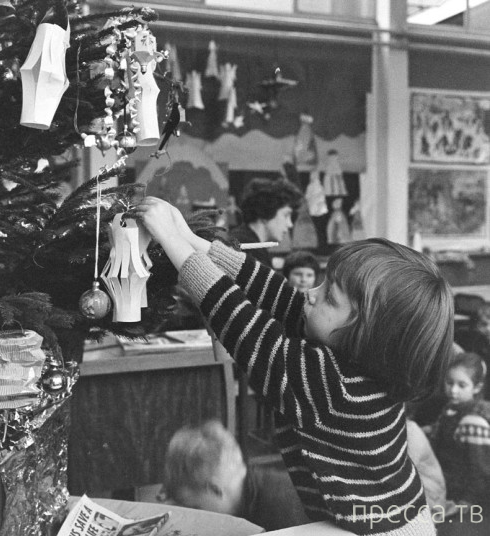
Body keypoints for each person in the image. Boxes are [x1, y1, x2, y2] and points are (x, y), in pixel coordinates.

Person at [135, 197, 454, 535]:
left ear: (367, 336)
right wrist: (190, 240)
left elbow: (245, 328)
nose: (311, 293)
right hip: (395, 515)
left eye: (329, 296)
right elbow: (278, 293)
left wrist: (172, 240)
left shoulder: (337, 387)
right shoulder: (359, 358)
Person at [161, 420, 309, 531]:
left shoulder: (280, 514)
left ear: (215, 490)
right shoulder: (246, 494)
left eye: (196, 508)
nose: (195, 519)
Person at [427, 352, 490, 514]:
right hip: (445, 478)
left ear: (477, 387)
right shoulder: (451, 408)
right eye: (449, 383)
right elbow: (438, 431)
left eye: (462, 385)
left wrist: (468, 501)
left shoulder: (473, 421)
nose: (453, 390)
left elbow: (480, 469)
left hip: (461, 493)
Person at [229, 177, 302, 266]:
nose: (290, 224)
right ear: (266, 211)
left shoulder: (239, 241)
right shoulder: (252, 252)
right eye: (286, 215)